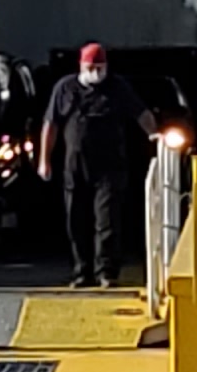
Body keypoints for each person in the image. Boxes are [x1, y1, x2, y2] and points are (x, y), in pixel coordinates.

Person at [38, 43, 145, 288]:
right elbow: (50, 125)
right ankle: (81, 271)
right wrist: (44, 160)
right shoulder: (64, 88)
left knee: (106, 220)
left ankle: (106, 271)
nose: (96, 72)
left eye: (100, 67)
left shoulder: (117, 88)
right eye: (91, 67)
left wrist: (156, 135)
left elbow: (141, 113)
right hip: (75, 166)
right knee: (75, 220)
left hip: (110, 166)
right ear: (81, 66)